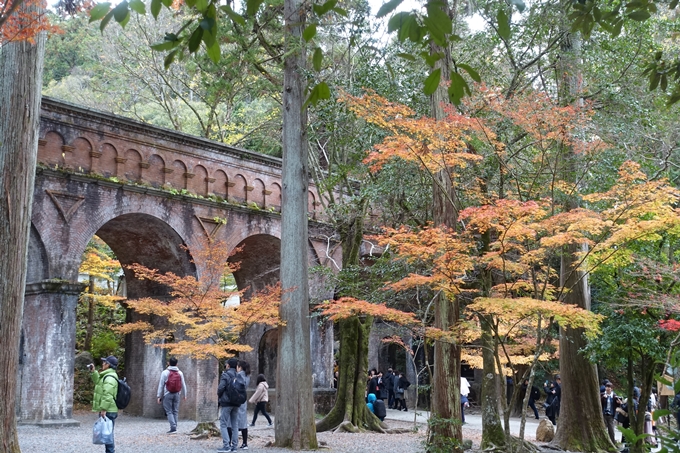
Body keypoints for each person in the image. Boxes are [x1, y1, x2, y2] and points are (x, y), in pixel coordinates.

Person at [89, 355, 119, 453]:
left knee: (108, 435)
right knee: (107, 434)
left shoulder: (110, 377)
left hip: (108, 410)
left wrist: (103, 409)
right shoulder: (106, 375)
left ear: (108, 365)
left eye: (104, 362)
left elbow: (108, 394)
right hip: (109, 409)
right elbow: (98, 382)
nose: (102, 364)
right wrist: (93, 372)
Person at [156, 357, 187, 434]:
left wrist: (159, 396)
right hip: (177, 393)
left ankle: (173, 427)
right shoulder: (180, 373)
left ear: (168, 363)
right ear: (177, 364)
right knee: (175, 411)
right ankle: (175, 426)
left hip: (168, 394)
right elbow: (183, 384)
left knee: (169, 411)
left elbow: (161, 385)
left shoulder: (165, 372)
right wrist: (185, 394)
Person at [218, 358, 242, 453]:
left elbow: (221, 388)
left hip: (226, 402)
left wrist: (219, 396)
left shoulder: (225, 375)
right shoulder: (239, 375)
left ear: (228, 365)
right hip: (236, 402)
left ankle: (226, 446)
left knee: (223, 423)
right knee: (235, 424)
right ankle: (234, 446)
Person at [236, 360, 251, 450]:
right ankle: (245, 443)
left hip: (237, 398)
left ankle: (233, 442)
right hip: (243, 398)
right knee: (243, 422)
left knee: (234, 421)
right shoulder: (247, 375)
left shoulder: (239, 375)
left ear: (240, 367)